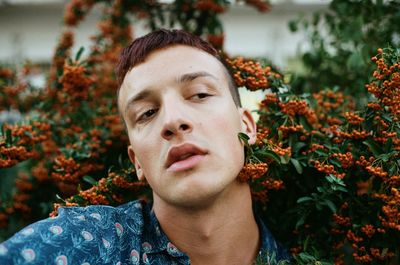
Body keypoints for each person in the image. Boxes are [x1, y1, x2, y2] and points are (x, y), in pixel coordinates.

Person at [0, 29, 290, 265]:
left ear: (247, 127)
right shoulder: (83, 244)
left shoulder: (305, 256)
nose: (173, 120)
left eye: (200, 94)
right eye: (147, 113)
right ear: (137, 160)